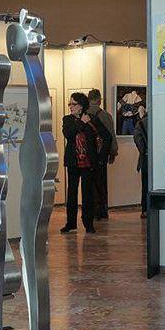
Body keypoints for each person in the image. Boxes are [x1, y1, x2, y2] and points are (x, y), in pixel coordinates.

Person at [61, 92, 111, 234]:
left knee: (88, 194)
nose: (71, 107)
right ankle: (71, 223)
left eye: (74, 104)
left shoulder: (92, 119)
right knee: (72, 193)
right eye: (70, 104)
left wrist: (101, 157)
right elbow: (68, 134)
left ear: (81, 106)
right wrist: (81, 122)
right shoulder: (68, 119)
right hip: (73, 161)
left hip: (88, 162)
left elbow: (107, 136)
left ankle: (88, 223)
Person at [88, 88, 118, 220]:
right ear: (99, 100)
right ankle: (102, 209)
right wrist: (113, 152)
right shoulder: (106, 116)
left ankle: (91, 210)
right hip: (102, 154)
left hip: (88, 154)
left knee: (89, 183)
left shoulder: (84, 114)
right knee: (101, 182)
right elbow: (111, 135)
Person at [133, 105, 148, 218]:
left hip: (146, 158)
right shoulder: (160, 120)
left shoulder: (141, 124)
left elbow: (140, 144)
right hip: (159, 157)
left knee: (146, 184)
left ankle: (145, 209)